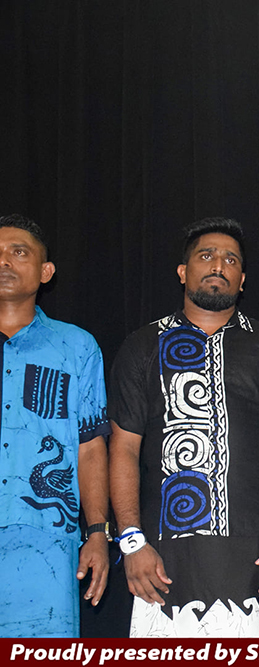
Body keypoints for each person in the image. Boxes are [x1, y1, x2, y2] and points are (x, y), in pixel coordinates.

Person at [108, 217, 259, 637]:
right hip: (161, 563)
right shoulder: (143, 346)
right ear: (183, 271)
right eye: (206, 256)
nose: (218, 265)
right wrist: (131, 541)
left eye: (231, 260)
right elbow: (123, 448)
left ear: (242, 279)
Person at [0, 214, 111, 637]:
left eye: (18, 252)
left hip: (46, 539)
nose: (4, 261)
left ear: (46, 272)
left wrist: (97, 532)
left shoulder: (76, 347)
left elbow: (90, 446)